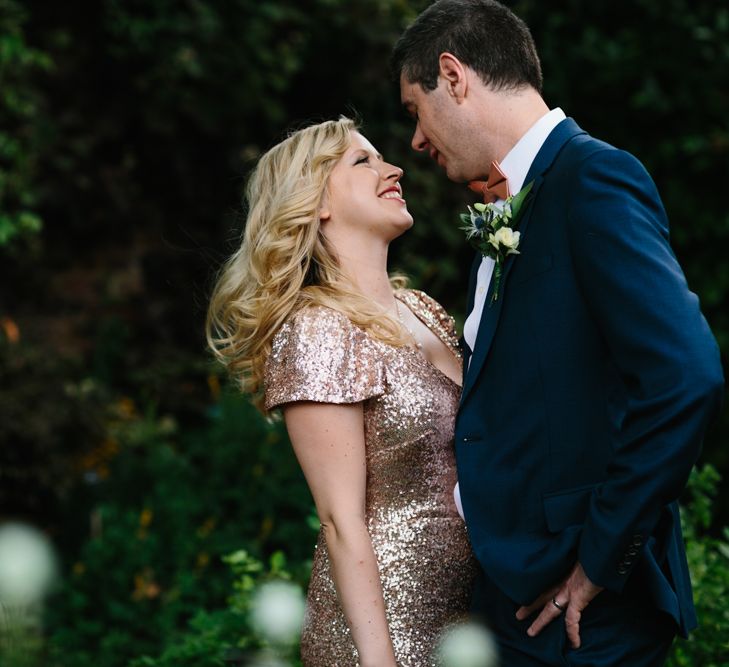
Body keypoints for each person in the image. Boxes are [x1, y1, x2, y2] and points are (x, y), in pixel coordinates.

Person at [391, 1, 725, 666]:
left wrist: (601, 558)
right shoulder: (506, 204)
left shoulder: (592, 178)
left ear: (453, 75)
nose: (416, 141)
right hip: (511, 596)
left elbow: (685, 376)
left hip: (583, 609)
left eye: (413, 110)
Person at [206, 117, 476, 667]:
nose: (393, 168)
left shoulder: (425, 310)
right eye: (363, 161)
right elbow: (339, 519)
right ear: (316, 202)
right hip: (387, 631)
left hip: (471, 617)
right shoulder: (317, 327)